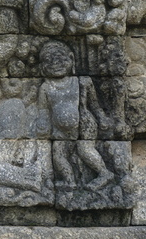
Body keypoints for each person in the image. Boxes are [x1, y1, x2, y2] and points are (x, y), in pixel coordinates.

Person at [36, 41, 114, 190]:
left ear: (71, 59)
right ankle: (69, 180)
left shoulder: (81, 82)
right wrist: (43, 122)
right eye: (49, 60)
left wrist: (102, 117)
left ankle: (104, 173)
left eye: (61, 59)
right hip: (59, 130)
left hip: (85, 124)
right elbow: (43, 110)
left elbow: (94, 104)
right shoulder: (45, 87)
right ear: (42, 67)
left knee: (85, 149)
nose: (55, 63)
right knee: (57, 155)